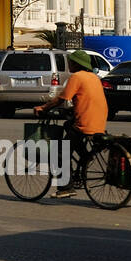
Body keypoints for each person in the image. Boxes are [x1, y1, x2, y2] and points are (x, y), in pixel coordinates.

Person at [34, 48, 108, 198]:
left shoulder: (77, 77)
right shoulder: (93, 77)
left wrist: (43, 107)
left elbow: (62, 98)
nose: (69, 65)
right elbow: (85, 99)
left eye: (70, 62)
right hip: (98, 121)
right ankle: (86, 156)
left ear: (76, 64)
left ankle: (66, 187)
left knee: (60, 152)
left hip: (85, 123)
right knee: (68, 126)